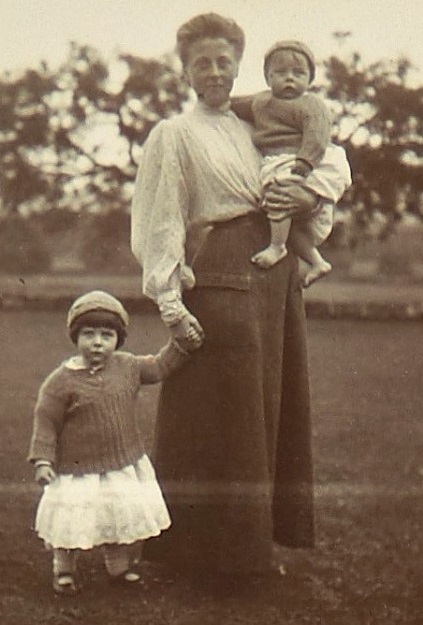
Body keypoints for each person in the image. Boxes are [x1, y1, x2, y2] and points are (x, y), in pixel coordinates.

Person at [131, 13, 350, 576]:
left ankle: (254, 549)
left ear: (239, 66)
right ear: (184, 72)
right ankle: (201, 554)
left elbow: (313, 172)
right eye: (201, 62)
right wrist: (170, 301)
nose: (214, 71)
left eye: (224, 60)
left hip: (275, 281)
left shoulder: (258, 124)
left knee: (270, 412)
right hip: (224, 275)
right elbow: (161, 221)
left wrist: (306, 202)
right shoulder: (175, 134)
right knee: (222, 419)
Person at [28, 290, 202, 595]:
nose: (97, 342)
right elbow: (46, 422)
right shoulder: (60, 382)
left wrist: (182, 345)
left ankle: (118, 567)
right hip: (76, 469)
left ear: (118, 339)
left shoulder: (128, 366)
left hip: (121, 463)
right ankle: (64, 569)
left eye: (106, 335)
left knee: (116, 518)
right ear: (75, 337)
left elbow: (160, 366)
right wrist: (43, 460)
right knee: (72, 520)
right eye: (88, 334)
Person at [232, 40, 352, 286]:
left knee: (280, 198)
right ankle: (317, 261)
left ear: (309, 80)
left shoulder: (311, 105)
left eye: (298, 74)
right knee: (284, 219)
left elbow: (316, 136)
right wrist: (221, 102)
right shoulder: (261, 101)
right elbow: (234, 104)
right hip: (276, 159)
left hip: (300, 160)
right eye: (281, 73)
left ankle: (276, 247)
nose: (290, 79)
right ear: (268, 77)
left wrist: (304, 164)